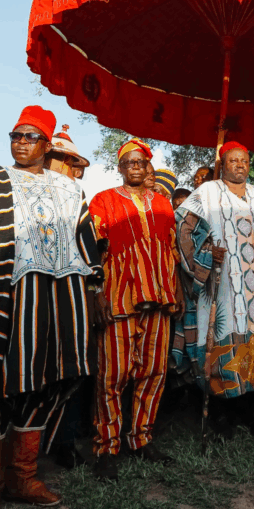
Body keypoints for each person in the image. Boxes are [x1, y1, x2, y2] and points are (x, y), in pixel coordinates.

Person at [0, 105, 101, 509]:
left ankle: (22, 477)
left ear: (47, 145)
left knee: (50, 381)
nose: (20, 142)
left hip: (60, 299)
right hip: (5, 295)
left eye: (30, 136)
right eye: (16, 135)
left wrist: (96, 290)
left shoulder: (70, 189)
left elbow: (86, 243)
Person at [174, 141, 254, 434]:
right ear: (223, 164)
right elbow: (183, 225)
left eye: (244, 161)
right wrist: (206, 251)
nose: (240, 165)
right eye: (233, 160)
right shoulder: (207, 194)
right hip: (223, 291)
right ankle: (224, 416)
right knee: (221, 348)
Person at [88, 139, 181, 478]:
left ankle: (141, 440)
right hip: (120, 300)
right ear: (120, 168)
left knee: (153, 374)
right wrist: (95, 293)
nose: (136, 167)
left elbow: (171, 249)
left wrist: (177, 290)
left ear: (148, 167)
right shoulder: (104, 201)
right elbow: (94, 250)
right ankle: (107, 448)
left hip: (160, 298)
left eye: (141, 162)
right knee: (112, 378)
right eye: (130, 162)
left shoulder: (163, 203)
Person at [43, 126, 94, 469]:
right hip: (26, 295)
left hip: (71, 294)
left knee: (71, 366)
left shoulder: (78, 197)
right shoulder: (15, 188)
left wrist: (94, 292)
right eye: (61, 159)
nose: (67, 167)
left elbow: (90, 251)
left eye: (70, 161)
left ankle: (64, 441)